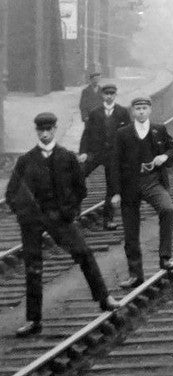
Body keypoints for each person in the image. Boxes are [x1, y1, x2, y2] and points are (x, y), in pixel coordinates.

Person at [6, 112, 121, 337]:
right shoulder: (26, 160)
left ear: (56, 129)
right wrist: (24, 215)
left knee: (84, 253)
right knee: (33, 268)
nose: (45, 134)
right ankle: (33, 320)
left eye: (49, 129)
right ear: (37, 131)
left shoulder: (67, 157)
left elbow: (81, 188)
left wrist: (70, 211)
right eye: (41, 130)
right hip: (32, 222)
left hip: (61, 218)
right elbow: (12, 193)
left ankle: (105, 298)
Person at [111, 96, 173, 287]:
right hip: (129, 184)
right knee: (130, 231)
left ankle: (165, 257)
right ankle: (135, 275)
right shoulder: (122, 133)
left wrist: (163, 157)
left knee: (167, 210)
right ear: (133, 111)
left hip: (152, 182)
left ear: (150, 110)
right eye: (138, 108)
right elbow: (114, 164)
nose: (141, 111)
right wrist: (115, 192)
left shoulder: (159, 129)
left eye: (144, 108)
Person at [78, 82, 131, 230]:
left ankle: (108, 220)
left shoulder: (122, 112)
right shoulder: (95, 113)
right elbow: (86, 134)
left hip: (113, 155)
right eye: (106, 94)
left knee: (112, 186)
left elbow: (128, 133)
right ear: (102, 95)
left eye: (112, 94)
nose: (109, 96)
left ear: (115, 95)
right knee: (78, 175)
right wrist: (83, 152)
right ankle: (74, 212)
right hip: (95, 153)